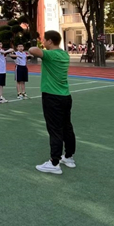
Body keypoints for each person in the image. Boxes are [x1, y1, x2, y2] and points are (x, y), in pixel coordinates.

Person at [29, 31, 76, 175]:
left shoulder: (50, 55)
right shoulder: (64, 54)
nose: (43, 42)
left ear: (50, 41)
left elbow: (32, 50)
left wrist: (39, 47)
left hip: (52, 97)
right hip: (65, 96)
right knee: (67, 127)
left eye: (44, 40)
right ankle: (69, 157)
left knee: (55, 129)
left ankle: (54, 162)